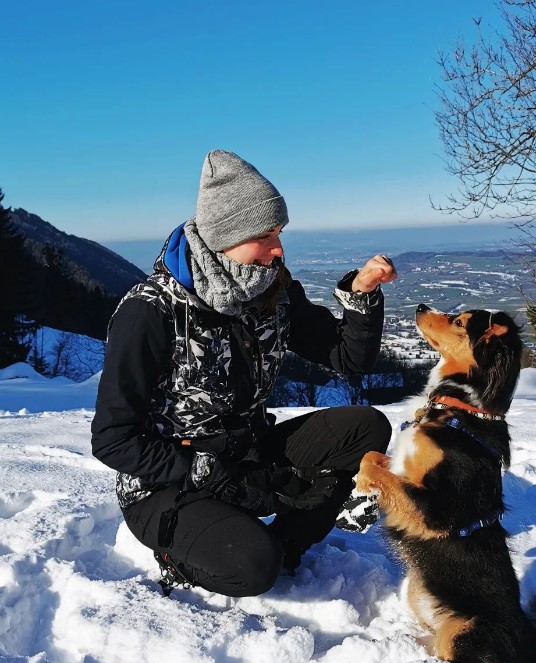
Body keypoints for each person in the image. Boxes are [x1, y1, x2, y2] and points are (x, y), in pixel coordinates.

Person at [91, 150, 396, 597]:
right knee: (251, 567)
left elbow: (347, 358)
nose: (278, 249)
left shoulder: (271, 287)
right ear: (225, 237)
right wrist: (220, 477)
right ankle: (191, 553)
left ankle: (283, 544)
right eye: (264, 235)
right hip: (167, 482)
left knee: (365, 426)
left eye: (279, 233)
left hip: (247, 453)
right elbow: (113, 438)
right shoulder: (151, 312)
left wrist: (360, 295)